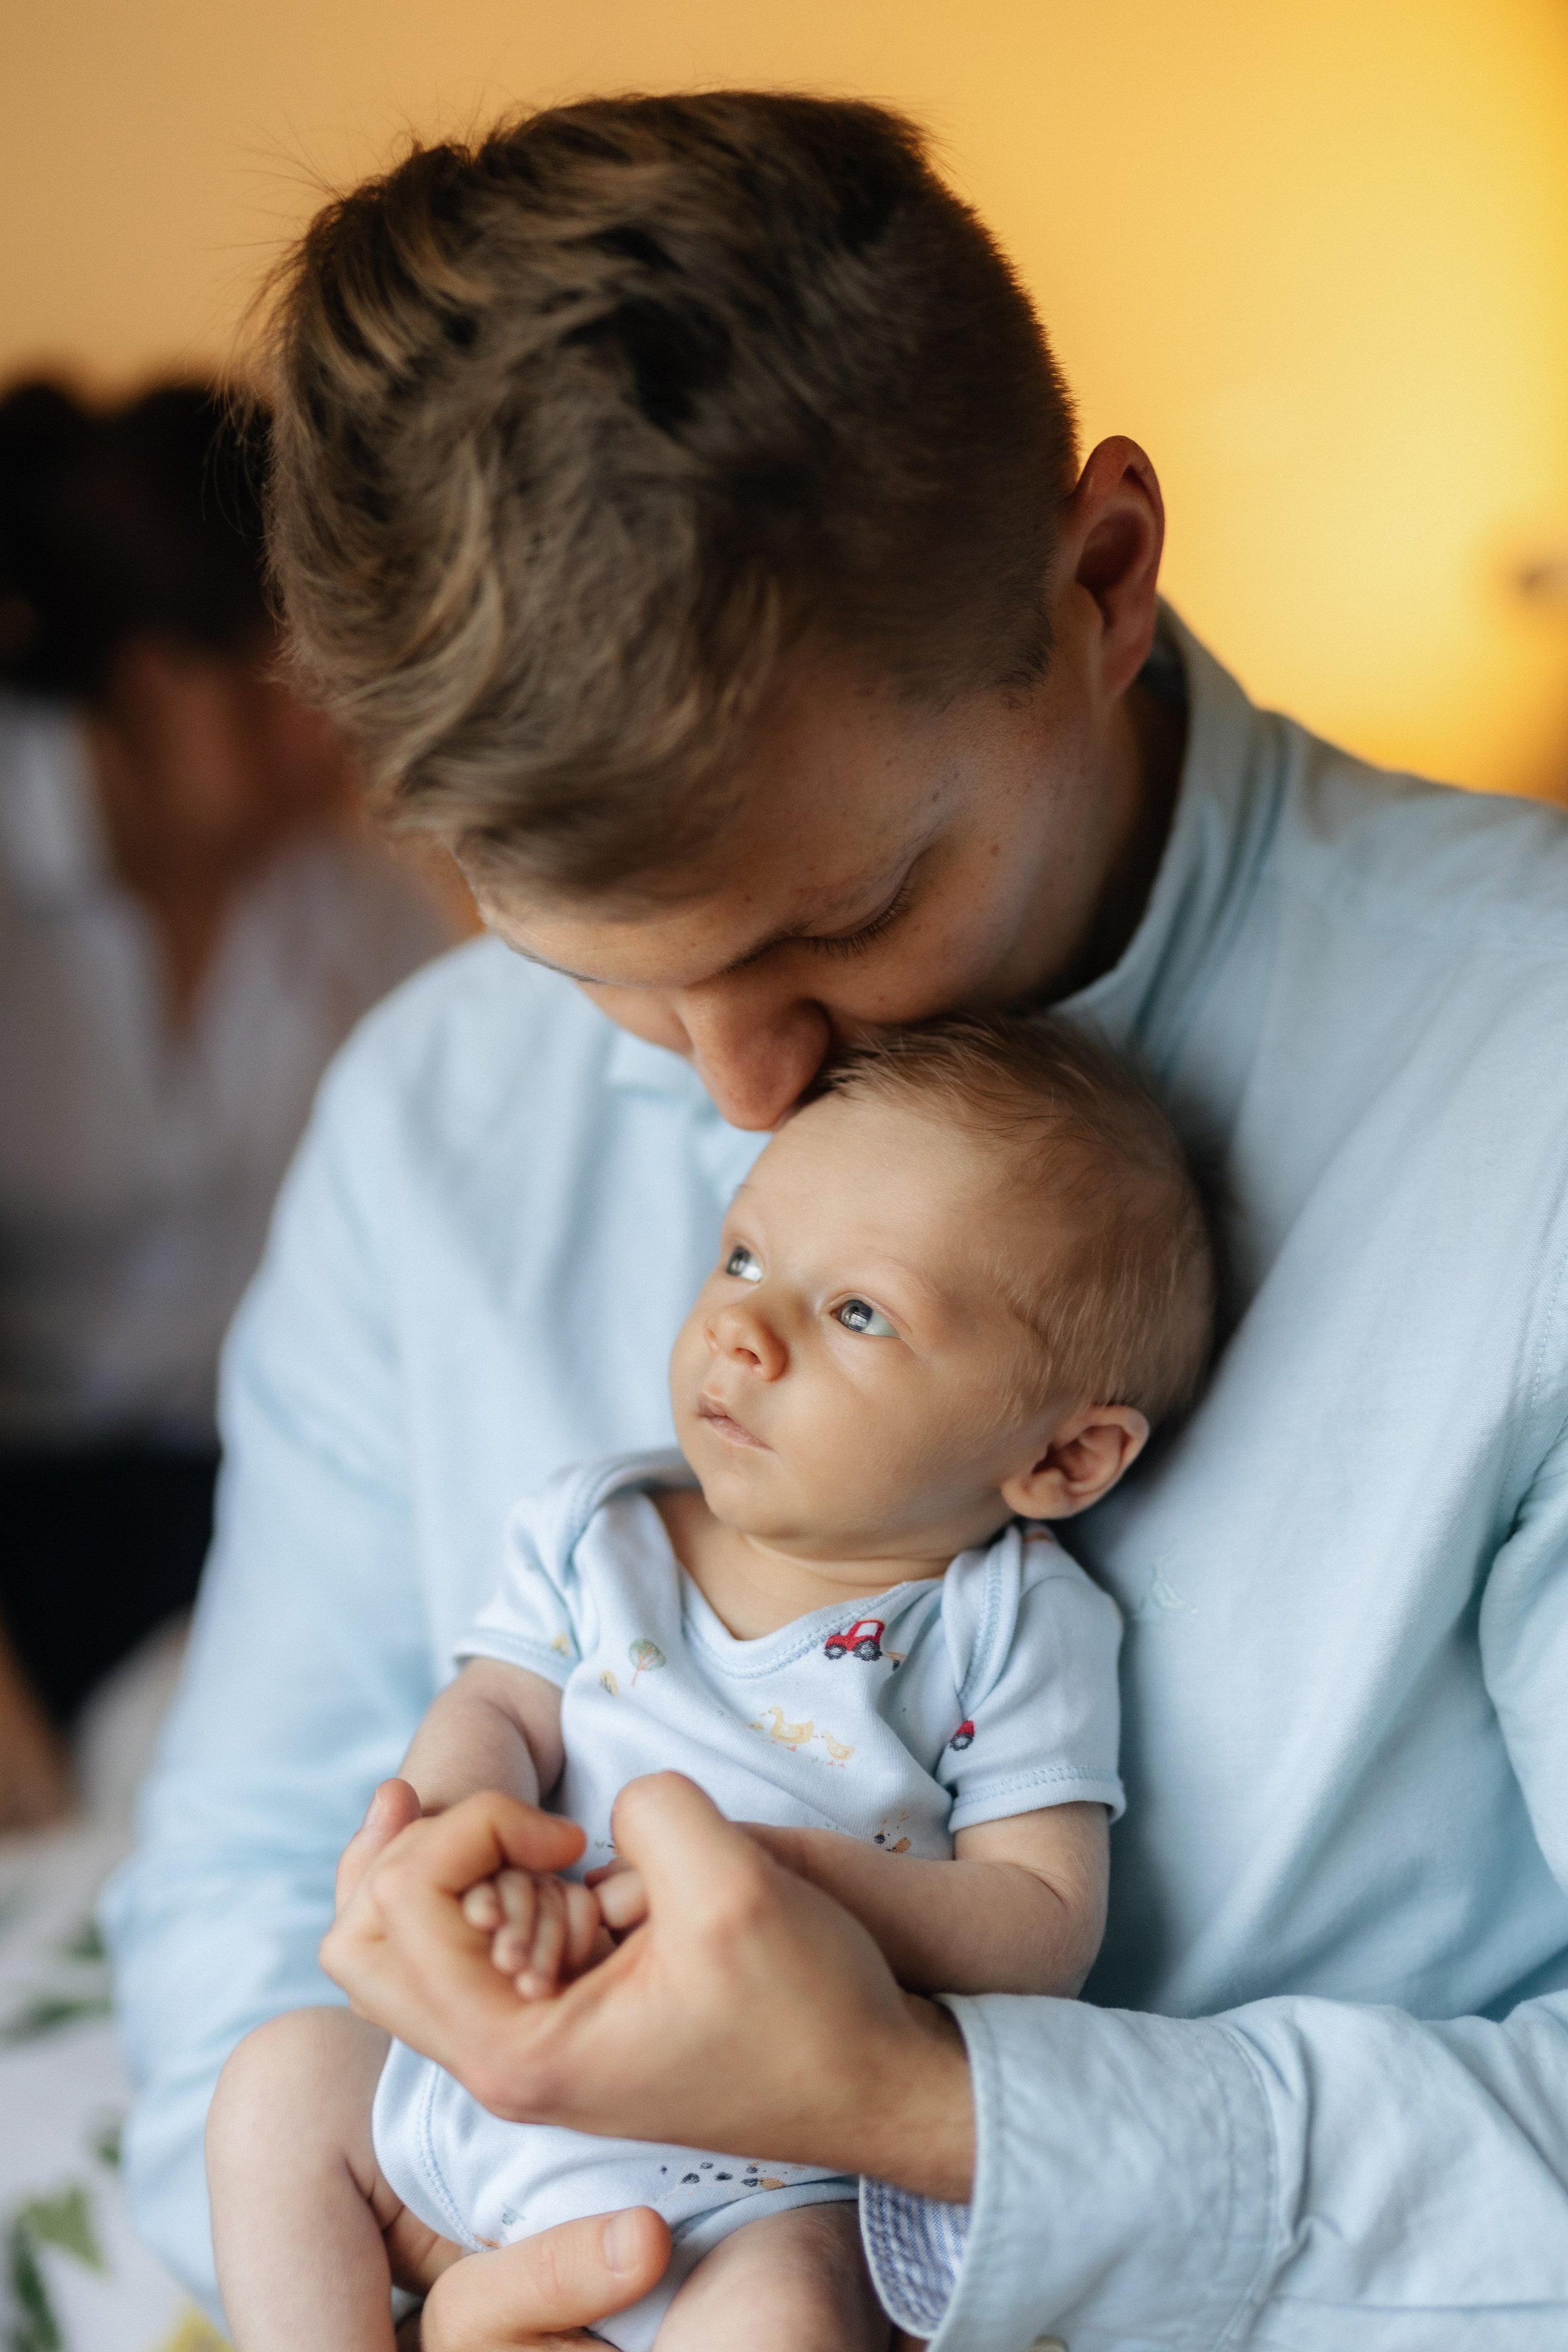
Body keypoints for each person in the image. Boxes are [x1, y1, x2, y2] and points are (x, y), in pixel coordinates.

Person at [104, 91, 1568, 2352]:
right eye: (590, 961)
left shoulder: (1530, 1093)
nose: (740, 1097)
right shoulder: (431, 1122)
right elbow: (222, 1898)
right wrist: (452, 2279)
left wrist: (933, 2112)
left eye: (850, 914)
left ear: (1099, 585)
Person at [205, 1015, 1213, 2352]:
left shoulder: (1009, 1622)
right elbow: (498, 1709)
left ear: (1064, 1459)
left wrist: (792, 1883)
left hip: (769, 2169)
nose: (740, 1325)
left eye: (857, 1310)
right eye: (743, 1254)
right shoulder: (599, 1527)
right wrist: (452, 1832)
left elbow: (1040, 1925)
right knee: (277, 2091)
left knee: (786, 2321)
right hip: (479, 2084)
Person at [0, 380, 453, 1828]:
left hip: (240, 1488)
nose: (339, 730)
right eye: (298, 679)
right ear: (155, 685)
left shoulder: (358, 902)